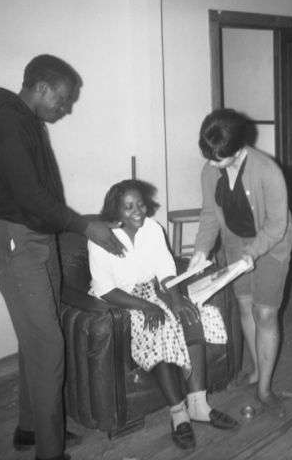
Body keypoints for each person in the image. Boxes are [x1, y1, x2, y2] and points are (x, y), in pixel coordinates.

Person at [0, 54, 123, 460]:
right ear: (41, 89)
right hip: (15, 244)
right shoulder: (8, 126)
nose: (66, 107)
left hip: (35, 239)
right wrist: (85, 226)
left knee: (36, 342)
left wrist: (74, 226)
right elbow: (29, 196)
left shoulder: (25, 122)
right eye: (63, 99)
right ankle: (50, 453)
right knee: (47, 347)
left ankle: (30, 429)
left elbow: (40, 199)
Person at [88, 179, 238, 450]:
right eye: (128, 206)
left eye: (141, 204)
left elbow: (166, 269)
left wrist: (177, 300)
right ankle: (179, 415)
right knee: (160, 328)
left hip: (155, 293)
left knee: (193, 315)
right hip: (121, 305)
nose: (137, 211)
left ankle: (199, 406)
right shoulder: (101, 238)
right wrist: (147, 306)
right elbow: (106, 290)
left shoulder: (153, 229)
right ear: (115, 209)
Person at [189, 108, 292, 417]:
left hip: (271, 246)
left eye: (218, 158)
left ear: (238, 150)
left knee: (265, 312)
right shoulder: (210, 170)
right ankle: (256, 370)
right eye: (207, 155)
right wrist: (201, 250)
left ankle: (265, 387)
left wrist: (254, 254)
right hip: (235, 243)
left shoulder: (267, 171)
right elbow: (210, 213)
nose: (210, 163)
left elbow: (276, 226)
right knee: (245, 306)